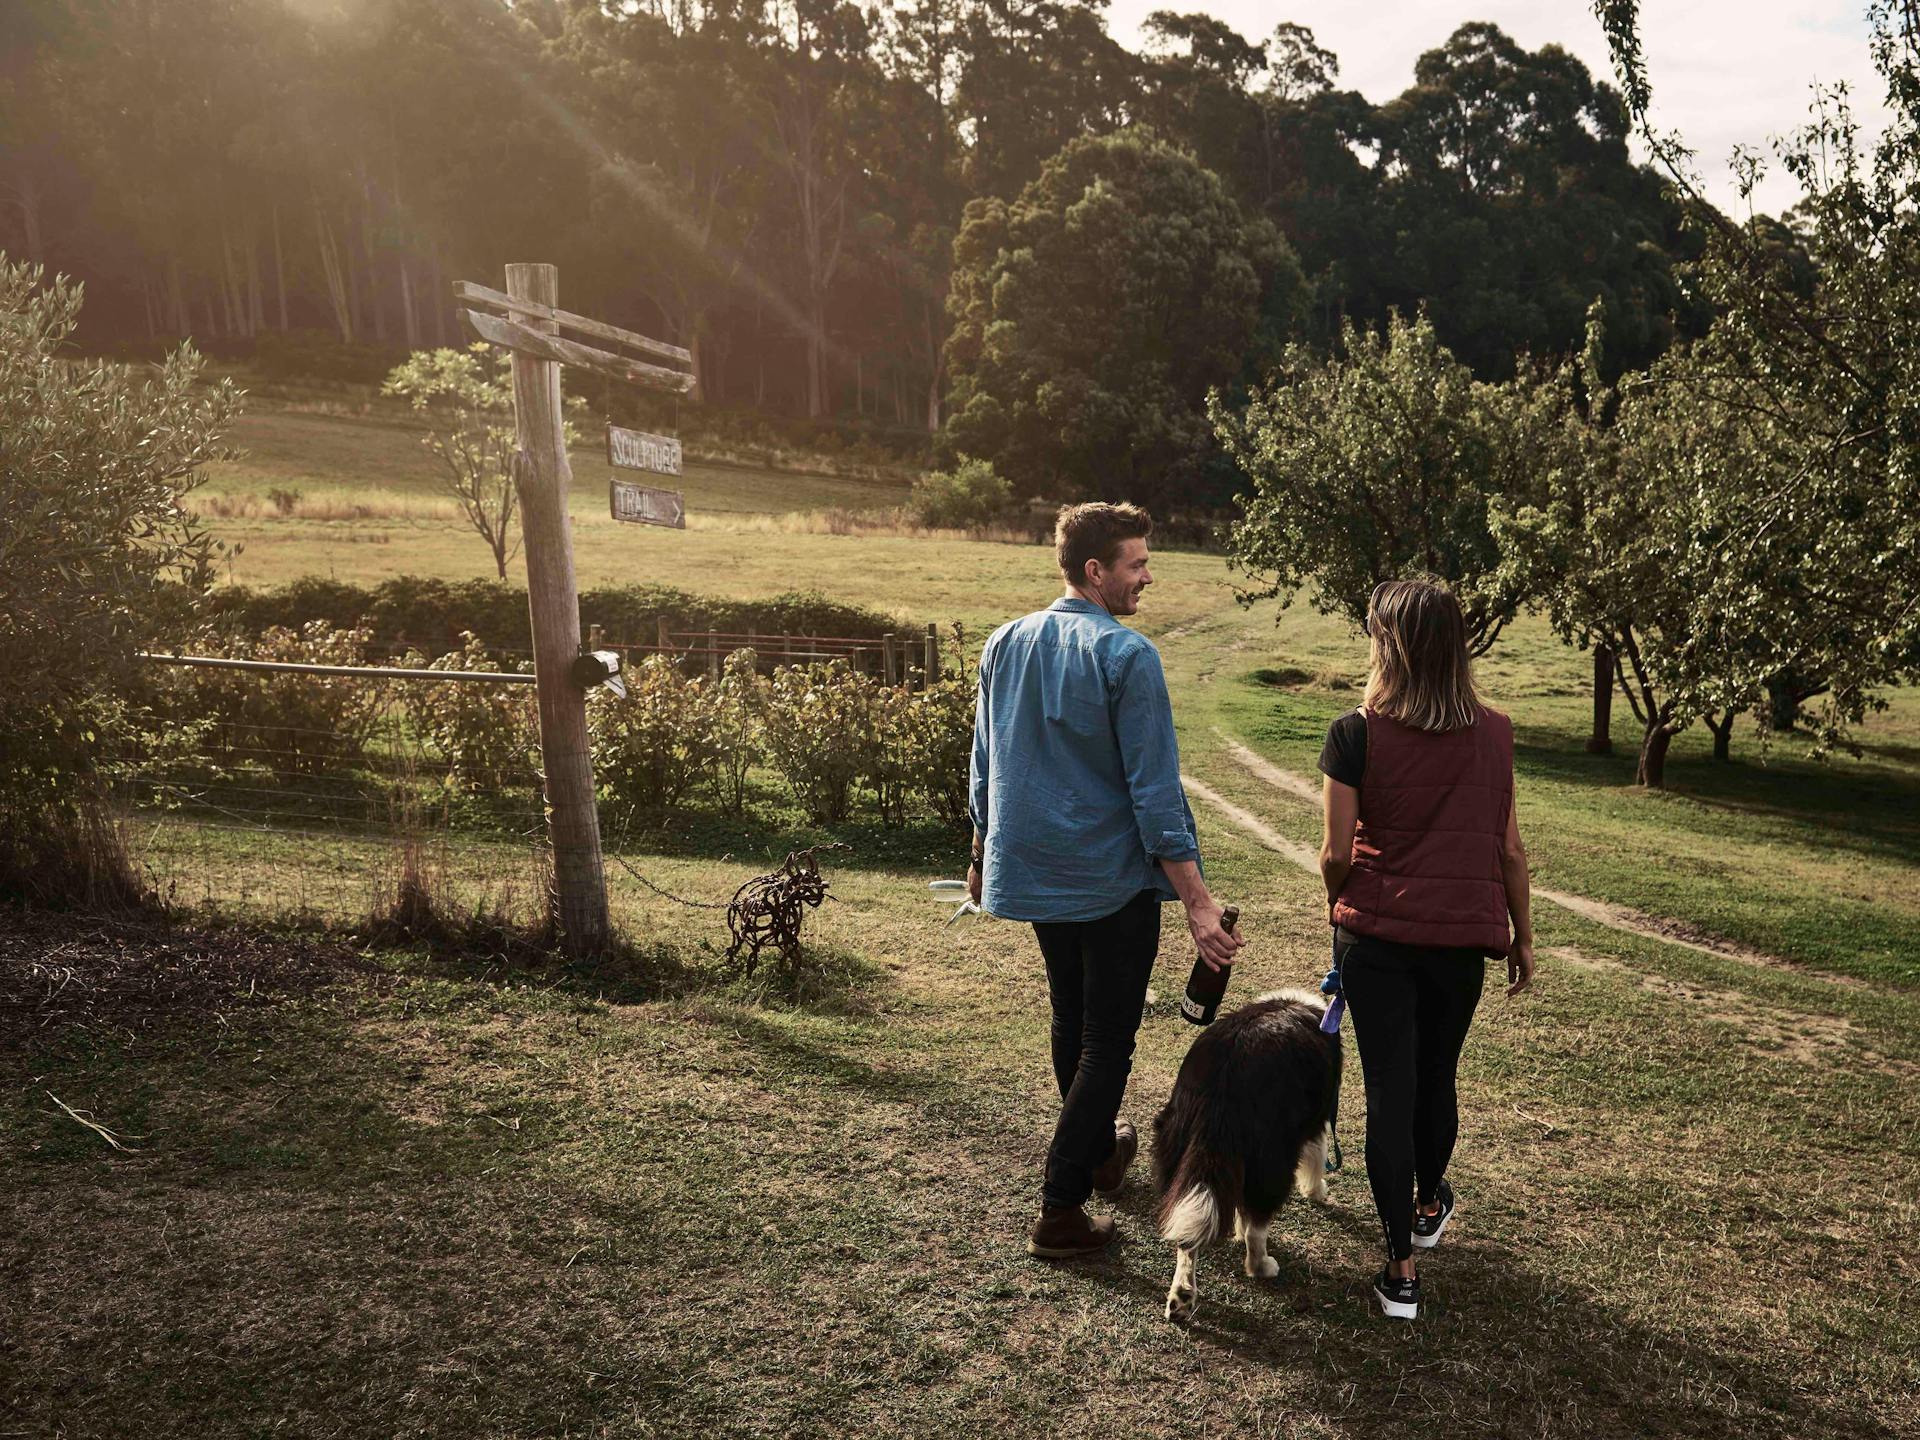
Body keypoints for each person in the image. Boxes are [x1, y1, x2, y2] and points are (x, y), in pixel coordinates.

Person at [969, 501, 1243, 1259]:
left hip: (1036, 871)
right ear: (1095, 571)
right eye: (1137, 563)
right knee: (1106, 1041)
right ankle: (1060, 1209)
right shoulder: (1127, 655)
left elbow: (984, 760)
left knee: (1072, 1018)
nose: (1147, 577)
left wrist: (979, 847)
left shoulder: (1004, 641)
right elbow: (1155, 793)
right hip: (1108, 879)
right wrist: (1198, 903)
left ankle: (1097, 1156)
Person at [1317, 578, 1536, 1320]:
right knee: (1438, 1075)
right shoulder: (1497, 733)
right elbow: (1509, 850)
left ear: (1390, 646)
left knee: (1389, 1090)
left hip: (1375, 939)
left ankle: (1400, 1273)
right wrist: (1523, 935)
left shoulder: (1355, 734)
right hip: (1461, 941)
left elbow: (1334, 854)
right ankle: (1427, 1204)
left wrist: (1340, 907)